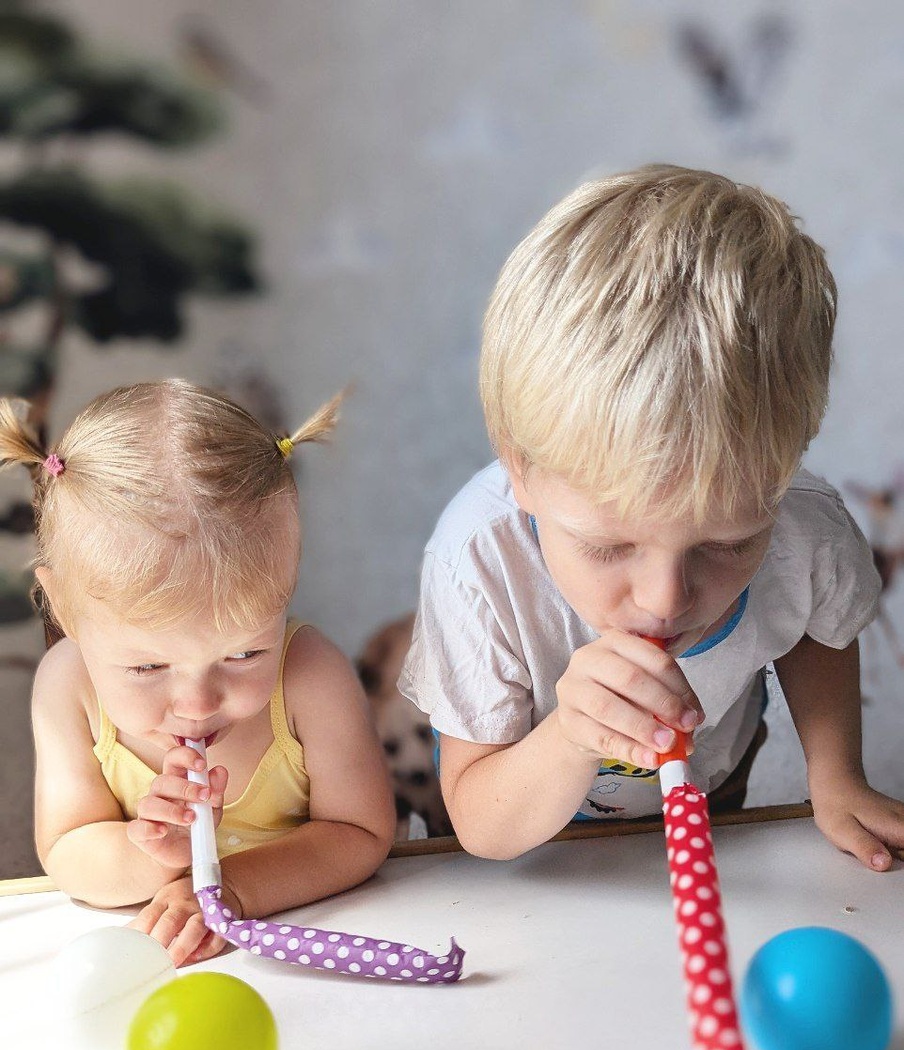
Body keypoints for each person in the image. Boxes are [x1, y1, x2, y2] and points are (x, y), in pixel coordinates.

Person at [400, 164, 904, 869]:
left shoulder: (805, 528)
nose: (666, 600)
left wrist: (835, 775)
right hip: (525, 839)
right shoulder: (478, 561)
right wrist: (570, 738)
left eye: (728, 544)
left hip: (712, 785)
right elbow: (483, 826)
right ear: (521, 471)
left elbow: (818, 626)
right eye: (608, 547)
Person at [6, 379, 395, 966]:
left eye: (245, 654)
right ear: (62, 606)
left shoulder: (311, 678)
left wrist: (234, 888)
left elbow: (360, 833)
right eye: (146, 665)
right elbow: (67, 849)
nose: (197, 702)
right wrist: (155, 856)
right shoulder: (69, 688)